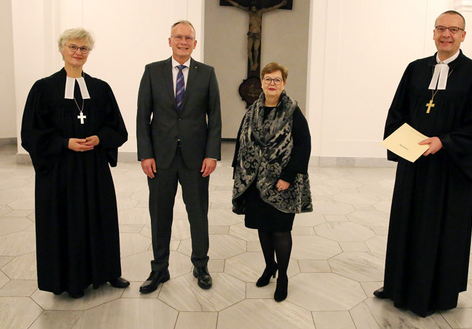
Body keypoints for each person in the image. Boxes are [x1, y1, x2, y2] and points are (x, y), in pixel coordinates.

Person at [375, 11, 472, 317]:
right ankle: (397, 286)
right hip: (414, 165)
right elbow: (397, 111)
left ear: (463, 36)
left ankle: (435, 293)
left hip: (449, 170)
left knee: (441, 229)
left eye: (453, 30)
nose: (447, 34)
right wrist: (402, 142)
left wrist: (444, 141)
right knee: (406, 222)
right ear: (433, 33)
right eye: (441, 28)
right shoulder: (415, 69)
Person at [21, 28, 129, 299]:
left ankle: (107, 273)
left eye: (84, 49)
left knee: (100, 218)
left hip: (94, 170)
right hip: (60, 171)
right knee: (67, 221)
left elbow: (118, 129)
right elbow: (31, 133)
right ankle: (72, 280)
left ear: (89, 53)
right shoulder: (43, 88)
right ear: (61, 49)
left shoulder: (100, 89)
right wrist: (64, 143)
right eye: (73, 47)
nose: (78, 53)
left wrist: (99, 138)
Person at [137, 20, 222, 293]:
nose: (183, 41)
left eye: (188, 38)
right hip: (160, 159)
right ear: (169, 41)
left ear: (195, 43)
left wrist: (212, 154)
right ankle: (159, 269)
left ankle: (201, 265)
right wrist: (145, 154)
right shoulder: (152, 72)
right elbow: (142, 116)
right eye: (178, 37)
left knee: (198, 214)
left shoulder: (207, 73)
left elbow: (216, 117)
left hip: (196, 159)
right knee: (160, 215)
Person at [232, 62, 312, 302]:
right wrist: (240, 174)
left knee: (280, 230)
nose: (272, 84)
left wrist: (288, 177)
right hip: (255, 183)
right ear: (262, 83)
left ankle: (284, 276)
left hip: (281, 184)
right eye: (268, 79)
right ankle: (270, 267)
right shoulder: (253, 110)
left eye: (277, 80)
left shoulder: (292, 110)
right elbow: (241, 142)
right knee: (262, 228)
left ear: (284, 84)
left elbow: (303, 145)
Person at [224, 0, 287, 71]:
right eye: (252, 7)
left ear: (257, 7)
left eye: (254, 7)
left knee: (256, 49)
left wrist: (281, 4)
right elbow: (238, 6)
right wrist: (229, 0)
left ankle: (256, 62)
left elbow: (271, 8)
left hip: (257, 34)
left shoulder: (260, 12)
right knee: (249, 49)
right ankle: (251, 63)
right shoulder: (249, 12)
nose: (253, 9)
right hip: (251, 33)